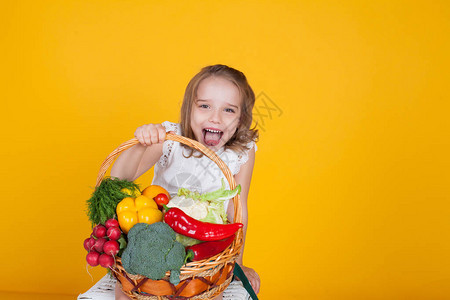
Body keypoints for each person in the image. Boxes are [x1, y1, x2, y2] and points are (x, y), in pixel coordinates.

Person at [110, 64, 261, 300]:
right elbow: (119, 178)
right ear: (188, 109)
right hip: (155, 239)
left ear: (241, 118)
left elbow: (238, 207)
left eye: (229, 110)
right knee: (128, 291)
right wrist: (142, 142)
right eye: (204, 106)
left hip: (204, 254)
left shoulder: (242, 152)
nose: (215, 117)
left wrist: (237, 264)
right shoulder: (170, 139)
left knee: (210, 294)